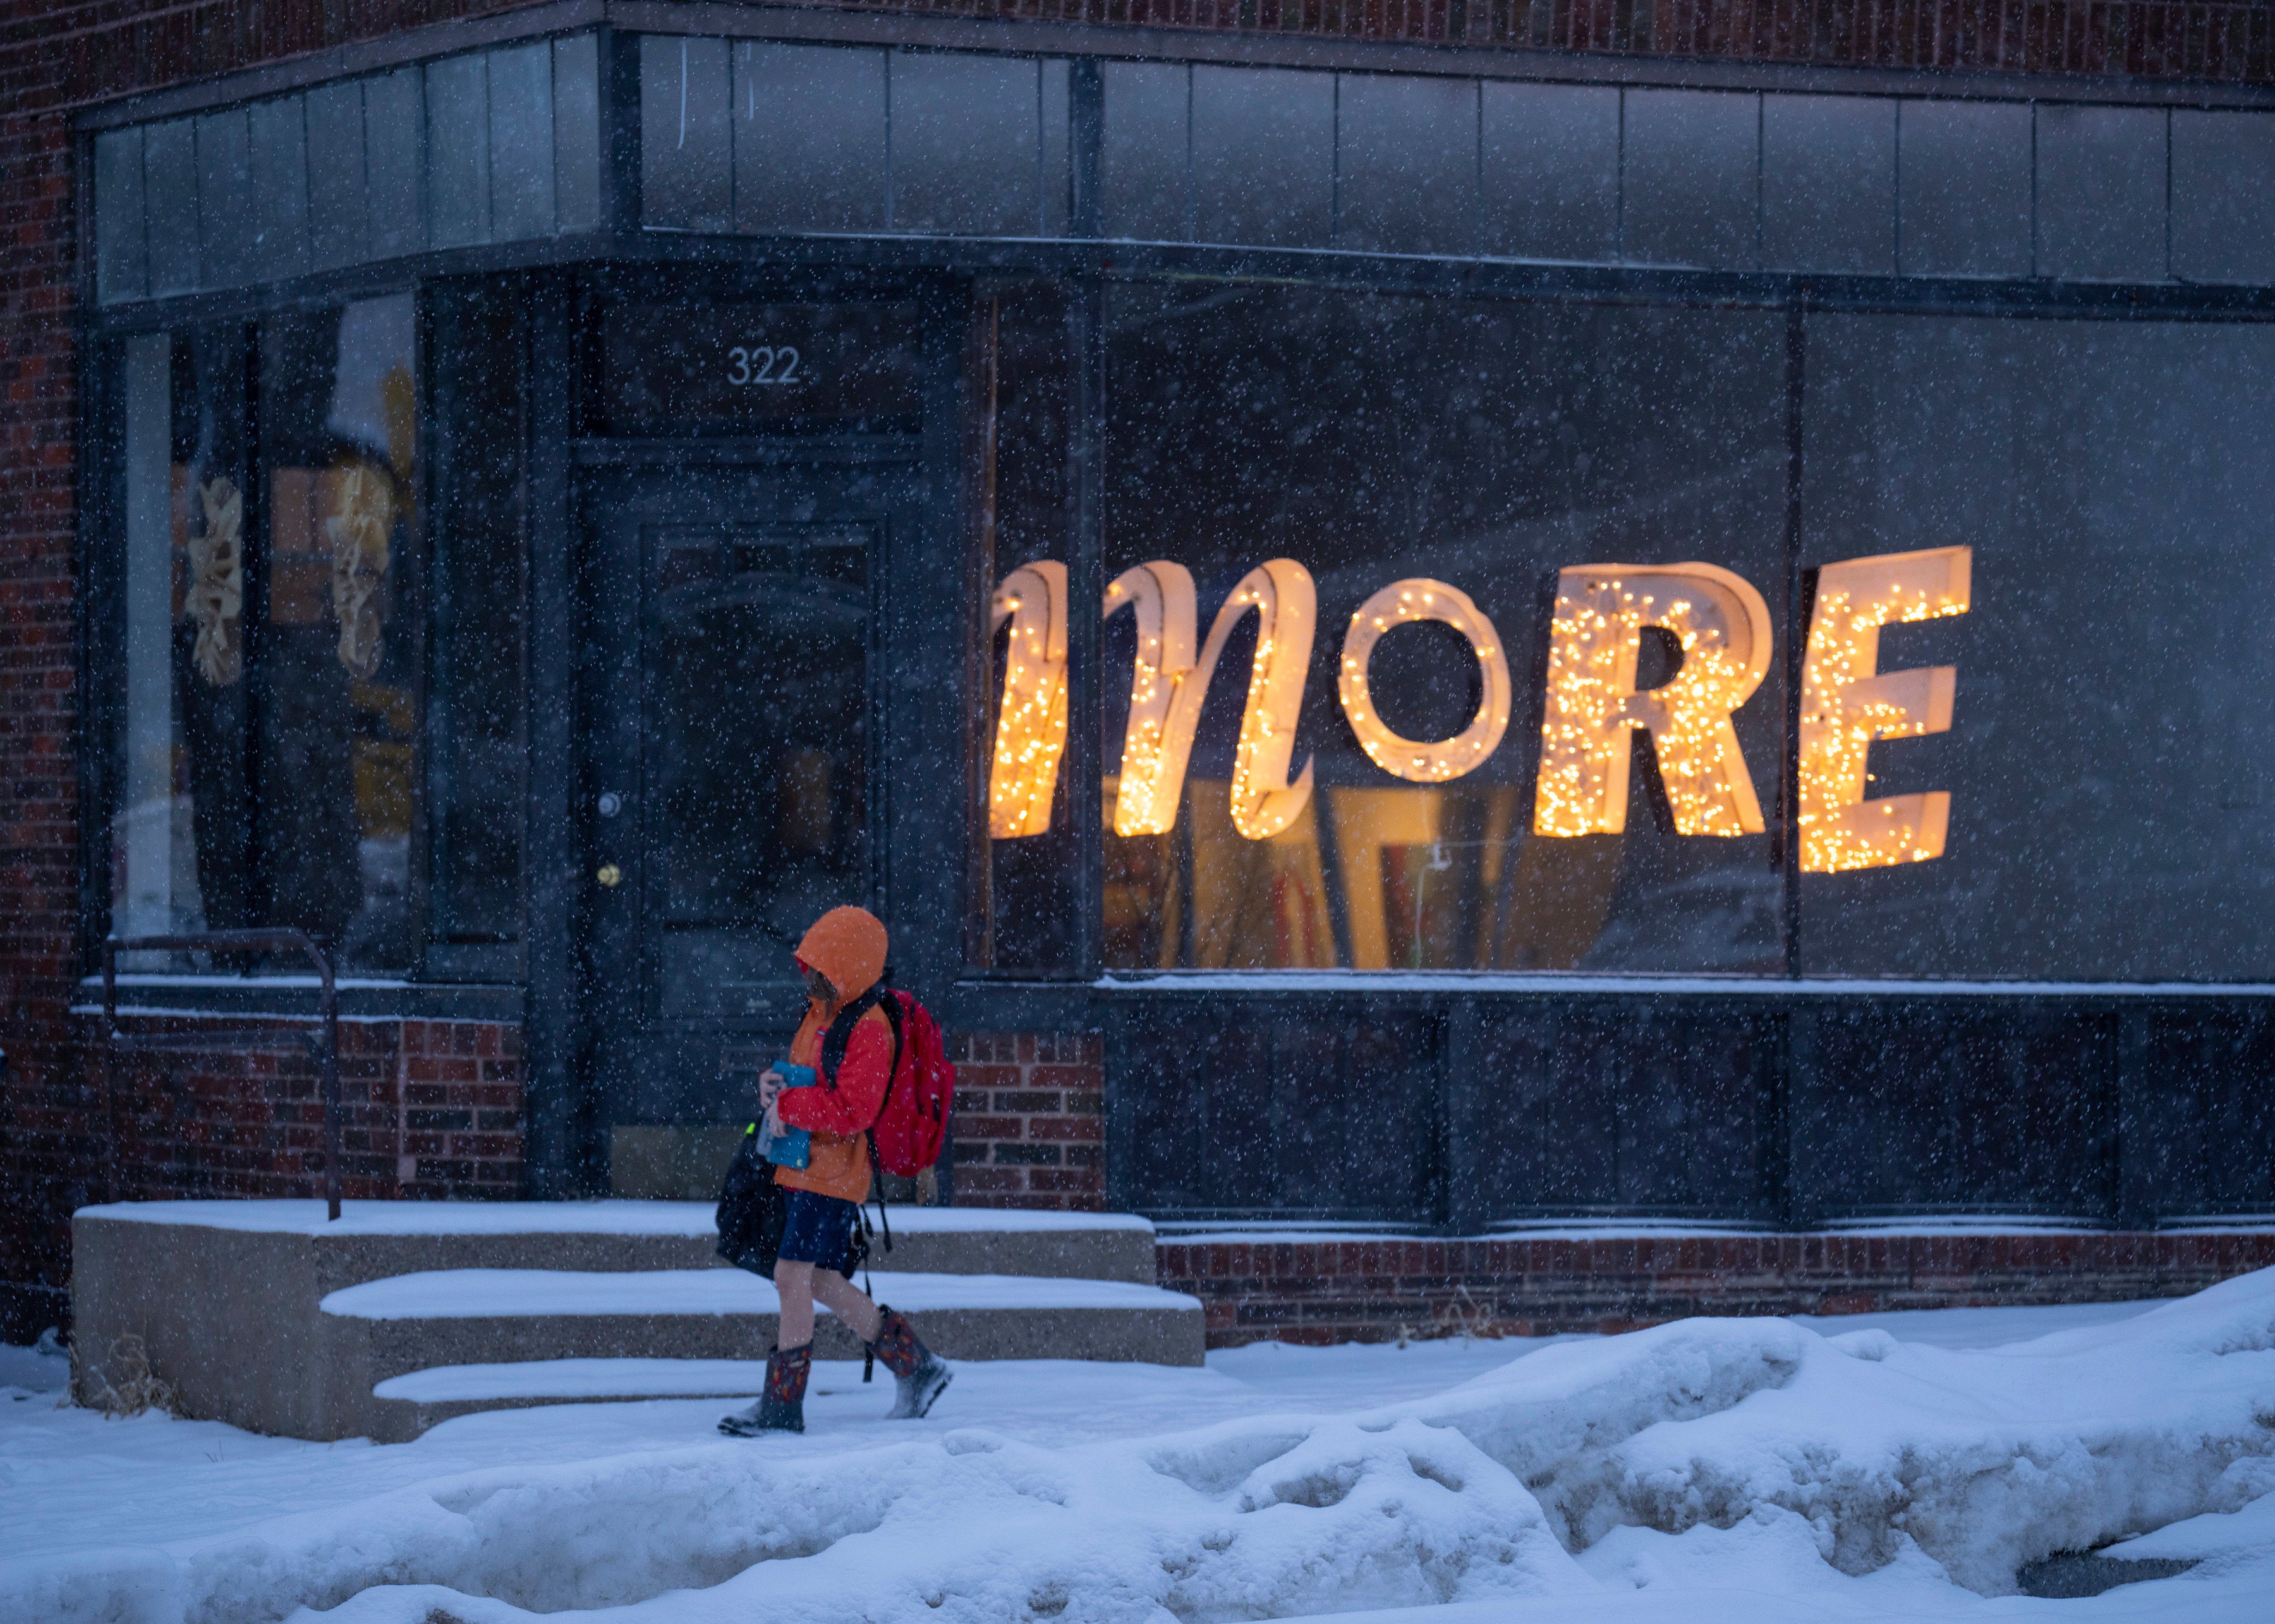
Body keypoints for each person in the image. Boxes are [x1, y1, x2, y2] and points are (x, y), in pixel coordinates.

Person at [719, 905, 952, 1436]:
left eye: (822, 964)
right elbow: (807, 1080)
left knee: (791, 1276)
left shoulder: (869, 1028)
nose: (810, 973)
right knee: (820, 1279)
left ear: (847, 966)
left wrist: (791, 1107)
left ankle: (782, 1408)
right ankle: (919, 1368)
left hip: (832, 1176)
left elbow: (854, 1112)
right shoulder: (821, 1012)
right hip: (803, 1167)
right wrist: (774, 1090)